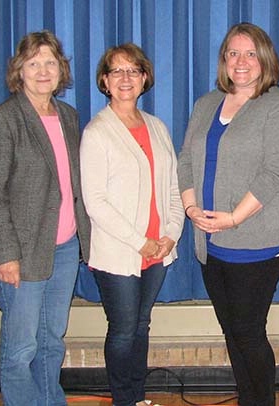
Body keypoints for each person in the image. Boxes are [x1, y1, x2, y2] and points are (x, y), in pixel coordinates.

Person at [177, 23, 279, 406]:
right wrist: (190, 207)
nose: (242, 61)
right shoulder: (206, 104)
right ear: (224, 60)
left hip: (259, 241)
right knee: (232, 331)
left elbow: (276, 173)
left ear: (265, 59)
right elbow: (185, 161)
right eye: (233, 53)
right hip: (211, 241)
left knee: (248, 332)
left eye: (250, 53)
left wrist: (233, 218)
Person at [0, 31, 91, 406]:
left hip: (63, 248)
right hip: (22, 254)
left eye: (50, 62)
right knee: (20, 348)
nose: (43, 70)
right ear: (19, 71)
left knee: (51, 341)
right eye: (33, 63)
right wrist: (4, 254)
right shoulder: (5, 119)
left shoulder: (68, 116)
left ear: (61, 69)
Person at [80, 43, 184, 406]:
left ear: (144, 78)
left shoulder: (157, 127)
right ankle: (124, 399)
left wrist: (171, 234)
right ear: (105, 81)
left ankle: (138, 397)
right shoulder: (97, 132)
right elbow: (96, 203)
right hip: (120, 253)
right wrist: (140, 241)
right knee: (123, 331)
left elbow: (173, 186)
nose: (126, 78)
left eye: (133, 71)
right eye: (117, 71)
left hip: (158, 250)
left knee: (141, 326)